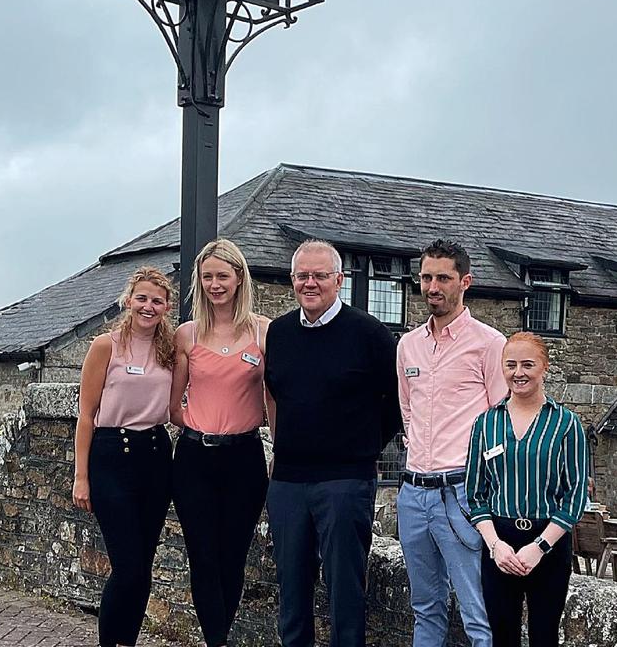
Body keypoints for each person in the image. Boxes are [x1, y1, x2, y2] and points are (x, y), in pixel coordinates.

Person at [264, 239, 401, 647]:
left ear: (339, 280)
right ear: (292, 280)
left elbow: (396, 402)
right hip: (288, 479)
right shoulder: (280, 332)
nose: (311, 283)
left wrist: (362, 447)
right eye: (302, 276)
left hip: (346, 480)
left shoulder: (370, 333)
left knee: (344, 587)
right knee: (290, 587)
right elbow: (274, 393)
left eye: (320, 276)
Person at [396, 239, 507, 647]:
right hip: (412, 494)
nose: (433, 286)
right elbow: (407, 411)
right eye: (426, 277)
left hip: (461, 493)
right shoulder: (407, 345)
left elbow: (503, 422)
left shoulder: (490, 344)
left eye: (443, 277)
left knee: (478, 613)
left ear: (466, 282)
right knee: (424, 608)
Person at [170, 239, 271, 647]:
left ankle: (219, 638)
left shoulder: (264, 332)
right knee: (203, 556)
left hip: (245, 457)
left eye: (222, 276)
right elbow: (173, 403)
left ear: (239, 278)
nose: (215, 284)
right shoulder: (186, 335)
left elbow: (274, 399)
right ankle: (216, 641)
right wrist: (201, 424)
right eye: (207, 276)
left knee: (233, 557)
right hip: (195, 458)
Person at [72, 266, 176, 647]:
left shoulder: (170, 349)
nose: (149, 306)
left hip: (155, 455)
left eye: (157, 301)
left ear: (167, 307)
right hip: (112, 456)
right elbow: (86, 415)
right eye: (142, 298)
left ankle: (126, 642)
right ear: (128, 300)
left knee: (143, 566)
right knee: (128, 566)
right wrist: (81, 476)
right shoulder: (106, 345)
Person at [466, 332, 588, 647]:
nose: (518, 373)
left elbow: (574, 496)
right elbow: (475, 494)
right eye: (511, 365)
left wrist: (539, 547)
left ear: (544, 368)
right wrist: (495, 546)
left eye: (527, 365)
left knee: (544, 636)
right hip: (500, 544)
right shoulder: (485, 424)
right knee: (502, 637)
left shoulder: (566, 424)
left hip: (548, 543)